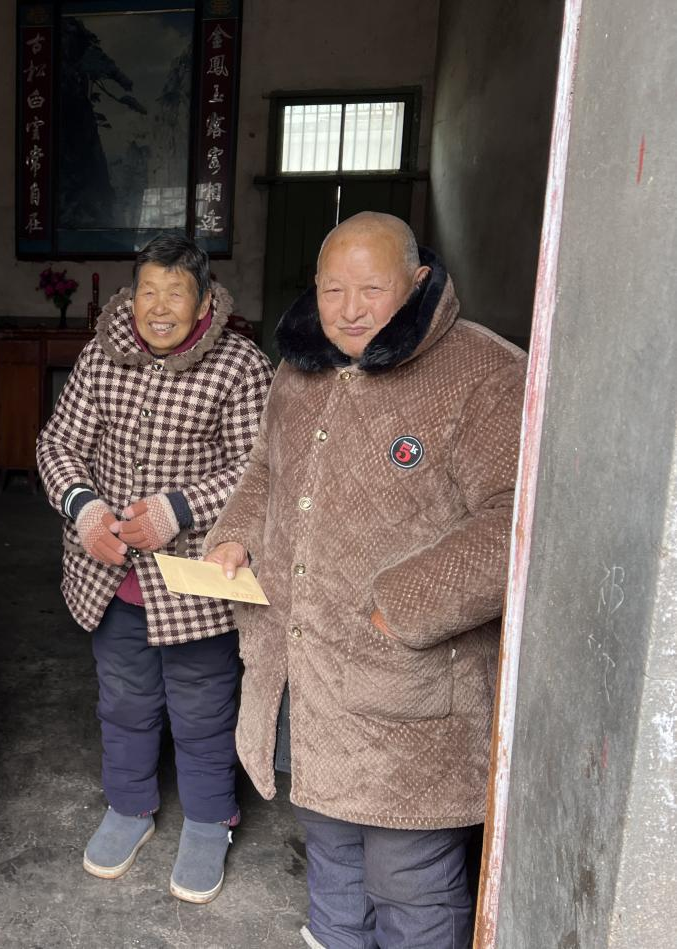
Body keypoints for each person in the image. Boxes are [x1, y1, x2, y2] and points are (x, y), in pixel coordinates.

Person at [205, 211, 526, 947]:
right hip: (307, 676)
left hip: (407, 690)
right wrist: (233, 537)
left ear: (417, 281)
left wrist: (402, 603)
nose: (349, 310)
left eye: (372, 289)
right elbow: (265, 472)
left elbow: (517, 516)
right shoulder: (299, 369)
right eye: (332, 290)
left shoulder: (483, 371)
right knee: (330, 854)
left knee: (408, 876)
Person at [36, 234, 274, 903]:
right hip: (112, 577)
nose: (159, 307)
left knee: (202, 708)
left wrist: (179, 509)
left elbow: (261, 469)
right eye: (148, 290)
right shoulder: (101, 355)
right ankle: (129, 806)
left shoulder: (240, 365)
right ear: (131, 294)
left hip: (198, 583)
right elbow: (58, 443)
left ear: (204, 301)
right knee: (124, 701)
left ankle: (208, 820)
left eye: (176, 292)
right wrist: (83, 507)